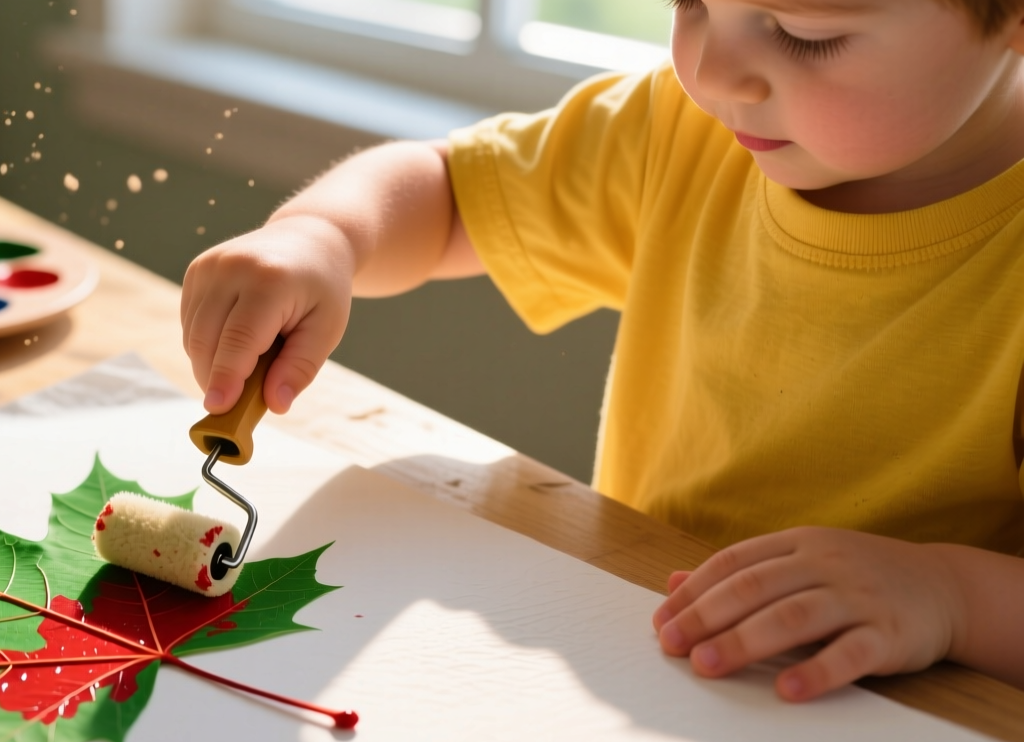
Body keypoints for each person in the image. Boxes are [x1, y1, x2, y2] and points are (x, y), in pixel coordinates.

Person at [179, 0, 1024, 700]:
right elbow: (448, 198)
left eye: (805, 32)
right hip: (642, 676)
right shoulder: (675, 130)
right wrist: (324, 235)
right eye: (689, 3)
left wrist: (952, 597)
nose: (712, 72)